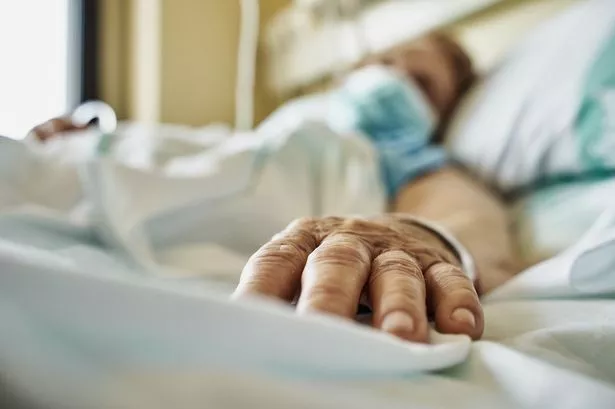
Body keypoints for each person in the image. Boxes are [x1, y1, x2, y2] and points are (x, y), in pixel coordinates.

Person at [28, 34, 521, 344]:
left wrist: (414, 237)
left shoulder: (402, 155)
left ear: (441, 118)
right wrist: (100, 141)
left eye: (420, 82)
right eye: (385, 61)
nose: (390, 77)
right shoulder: (280, 128)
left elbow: (468, 221)